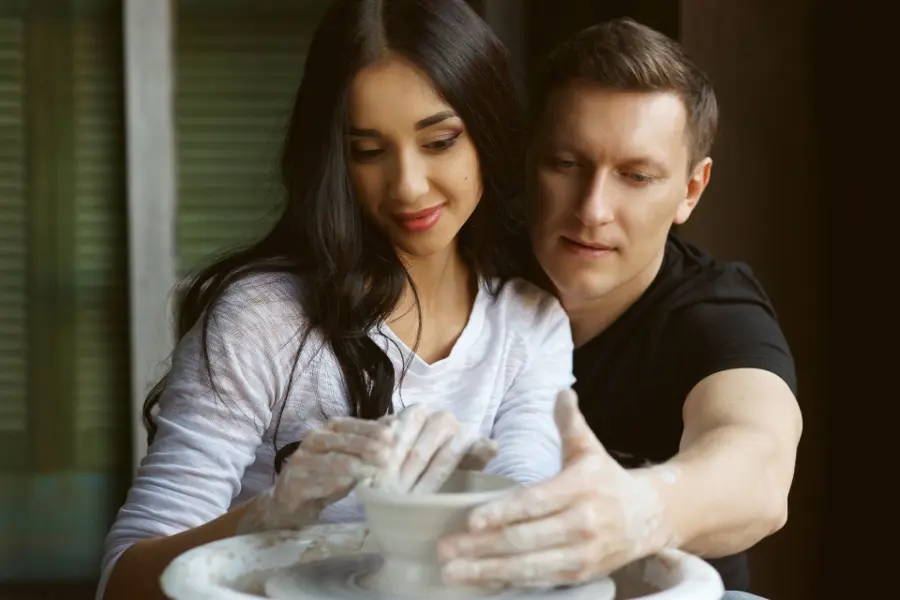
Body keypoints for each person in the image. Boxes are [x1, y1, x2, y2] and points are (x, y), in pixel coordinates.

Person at [96, 1, 575, 599]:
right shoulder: (263, 321)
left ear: (489, 130)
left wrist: (501, 502)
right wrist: (270, 514)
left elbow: (525, 519)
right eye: (369, 151)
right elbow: (120, 582)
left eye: (440, 140)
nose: (407, 185)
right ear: (333, 159)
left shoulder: (528, 324)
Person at [437, 18, 803, 600]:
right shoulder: (456, 271)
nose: (593, 209)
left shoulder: (715, 310)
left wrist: (637, 509)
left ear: (690, 190)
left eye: (636, 176)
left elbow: (759, 466)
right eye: (566, 164)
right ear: (528, 161)